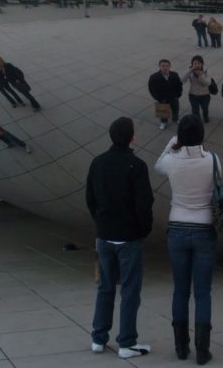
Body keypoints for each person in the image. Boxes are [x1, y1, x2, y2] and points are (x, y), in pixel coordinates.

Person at [86, 117, 154, 358]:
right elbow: (144, 203)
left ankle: (98, 337)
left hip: (105, 236)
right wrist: (143, 229)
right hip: (128, 238)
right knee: (129, 290)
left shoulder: (98, 163)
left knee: (105, 287)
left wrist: (101, 222)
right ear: (132, 137)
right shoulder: (136, 165)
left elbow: (90, 198)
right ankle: (126, 342)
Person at [154, 116, 218, 364]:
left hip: (177, 227)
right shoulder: (212, 160)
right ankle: (203, 348)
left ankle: (181, 347)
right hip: (204, 228)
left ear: (180, 136)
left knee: (180, 290)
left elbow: (158, 164)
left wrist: (172, 142)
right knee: (203, 292)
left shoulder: (171, 162)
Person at [148, 59, 183, 131]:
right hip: (162, 99)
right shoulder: (154, 77)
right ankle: (163, 122)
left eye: (167, 66)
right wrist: (157, 98)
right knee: (162, 112)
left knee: (175, 109)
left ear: (169, 67)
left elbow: (179, 85)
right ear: (159, 66)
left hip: (173, 97)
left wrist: (178, 95)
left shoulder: (174, 75)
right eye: (163, 66)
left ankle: (175, 119)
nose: (165, 67)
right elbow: (151, 89)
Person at [184, 55, 214, 123]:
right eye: (195, 63)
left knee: (205, 108)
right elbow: (182, 79)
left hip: (205, 95)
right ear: (192, 64)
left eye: (199, 63)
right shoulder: (190, 71)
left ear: (202, 64)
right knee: (195, 110)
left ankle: (205, 117)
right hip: (193, 94)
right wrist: (190, 70)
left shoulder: (206, 71)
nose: (197, 65)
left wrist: (201, 75)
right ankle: (196, 121)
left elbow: (207, 83)